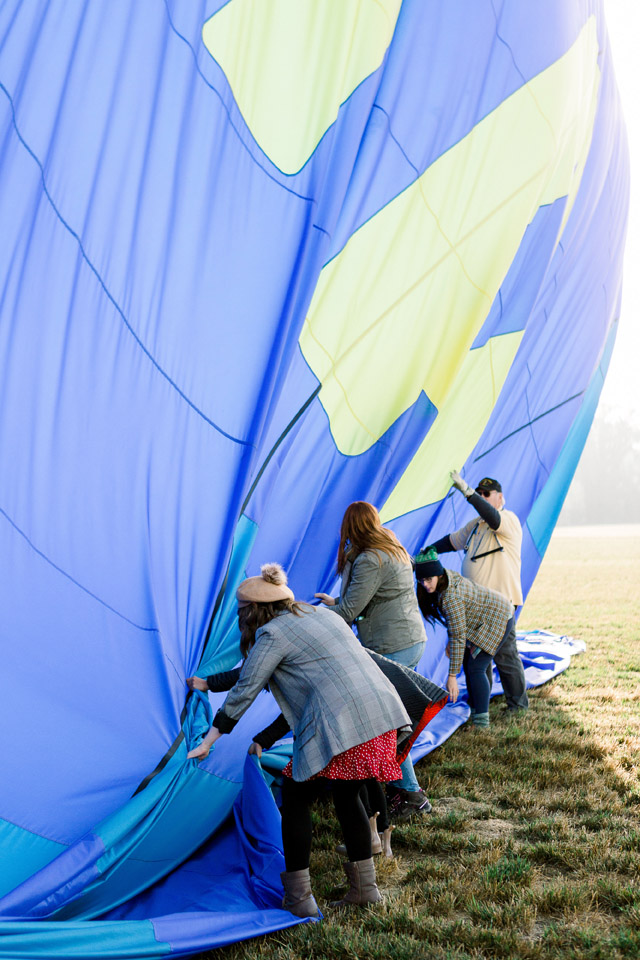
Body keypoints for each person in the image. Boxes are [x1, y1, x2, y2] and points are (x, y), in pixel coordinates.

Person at [186, 563, 410, 915]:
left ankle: (299, 898)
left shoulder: (272, 634)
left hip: (343, 724)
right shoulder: (321, 616)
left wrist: (210, 739)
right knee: (347, 793)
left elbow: (247, 687)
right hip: (381, 715)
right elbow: (267, 676)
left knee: (295, 796)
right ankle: (366, 891)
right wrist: (208, 684)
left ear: (251, 612)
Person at [315, 501, 431, 821]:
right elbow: (371, 596)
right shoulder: (389, 545)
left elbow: (350, 612)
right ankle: (398, 784)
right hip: (409, 640)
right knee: (394, 719)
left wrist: (308, 616)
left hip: (393, 646)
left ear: (350, 529)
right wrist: (336, 600)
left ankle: (411, 793)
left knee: (390, 722)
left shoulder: (369, 559)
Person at [423, 473, 528, 714]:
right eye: (479, 493)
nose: (481, 497)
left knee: (505, 655)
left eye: (486, 494)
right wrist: (429, 550)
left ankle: (518, 706)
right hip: (478, 606)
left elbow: (492, 516)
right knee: (477, 659)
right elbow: (452, 541)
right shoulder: (475, 526)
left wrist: (468, 492)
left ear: (500, 498)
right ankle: (480, 703)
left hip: (501, 604)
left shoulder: (507, 520)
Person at [414, 549, 516, 728]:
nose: (425, 585)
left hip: (497, 617)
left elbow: (459, 635)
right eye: (421, 581)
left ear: (438, 575)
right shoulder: (445, 581)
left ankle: (481, 723)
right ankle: (476, 710)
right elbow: (456, 626)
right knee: (472, 666)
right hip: (481, 621)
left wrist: (452, 675)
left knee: (476, 667)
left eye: (429, 579)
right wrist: (450, 643)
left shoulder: (450, 597)